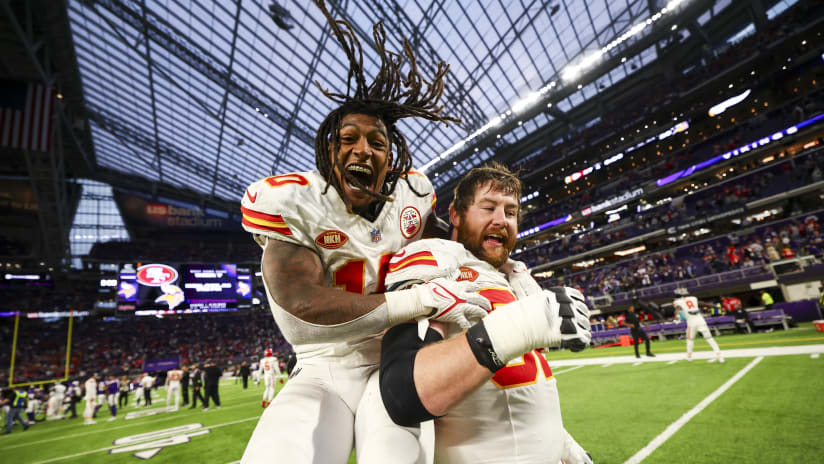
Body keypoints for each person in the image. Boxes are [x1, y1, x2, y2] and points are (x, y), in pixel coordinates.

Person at [240, 2, 489, 463]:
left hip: (401, 359)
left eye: (377, 142)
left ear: (391, 158)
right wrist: (419, 300)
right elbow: (301, 306)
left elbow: (452, 247)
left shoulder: (412, 196)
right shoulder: (296, 202)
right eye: (348, 138)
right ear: (327, 150)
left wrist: (491, 254)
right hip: (324, 368)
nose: (363, 149)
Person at [378, 163, 593, 463]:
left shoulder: (514, 276)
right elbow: (402, 393)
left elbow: (517, 389)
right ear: (455, 215)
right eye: (488, 208)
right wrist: (520, 325)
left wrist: (560, 441)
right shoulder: (438, 264)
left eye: (510, 211)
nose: (501, 220)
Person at [673, 294, 725, 363]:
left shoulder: (679, 302)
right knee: (709, 338)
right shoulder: (693, 299)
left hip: (691, 322)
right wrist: (718, 307)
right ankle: (719, 355)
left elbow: (677, 309)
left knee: (690, 340)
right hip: (700, 320)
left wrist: (677, 317)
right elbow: (705, 304)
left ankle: (689, 356)